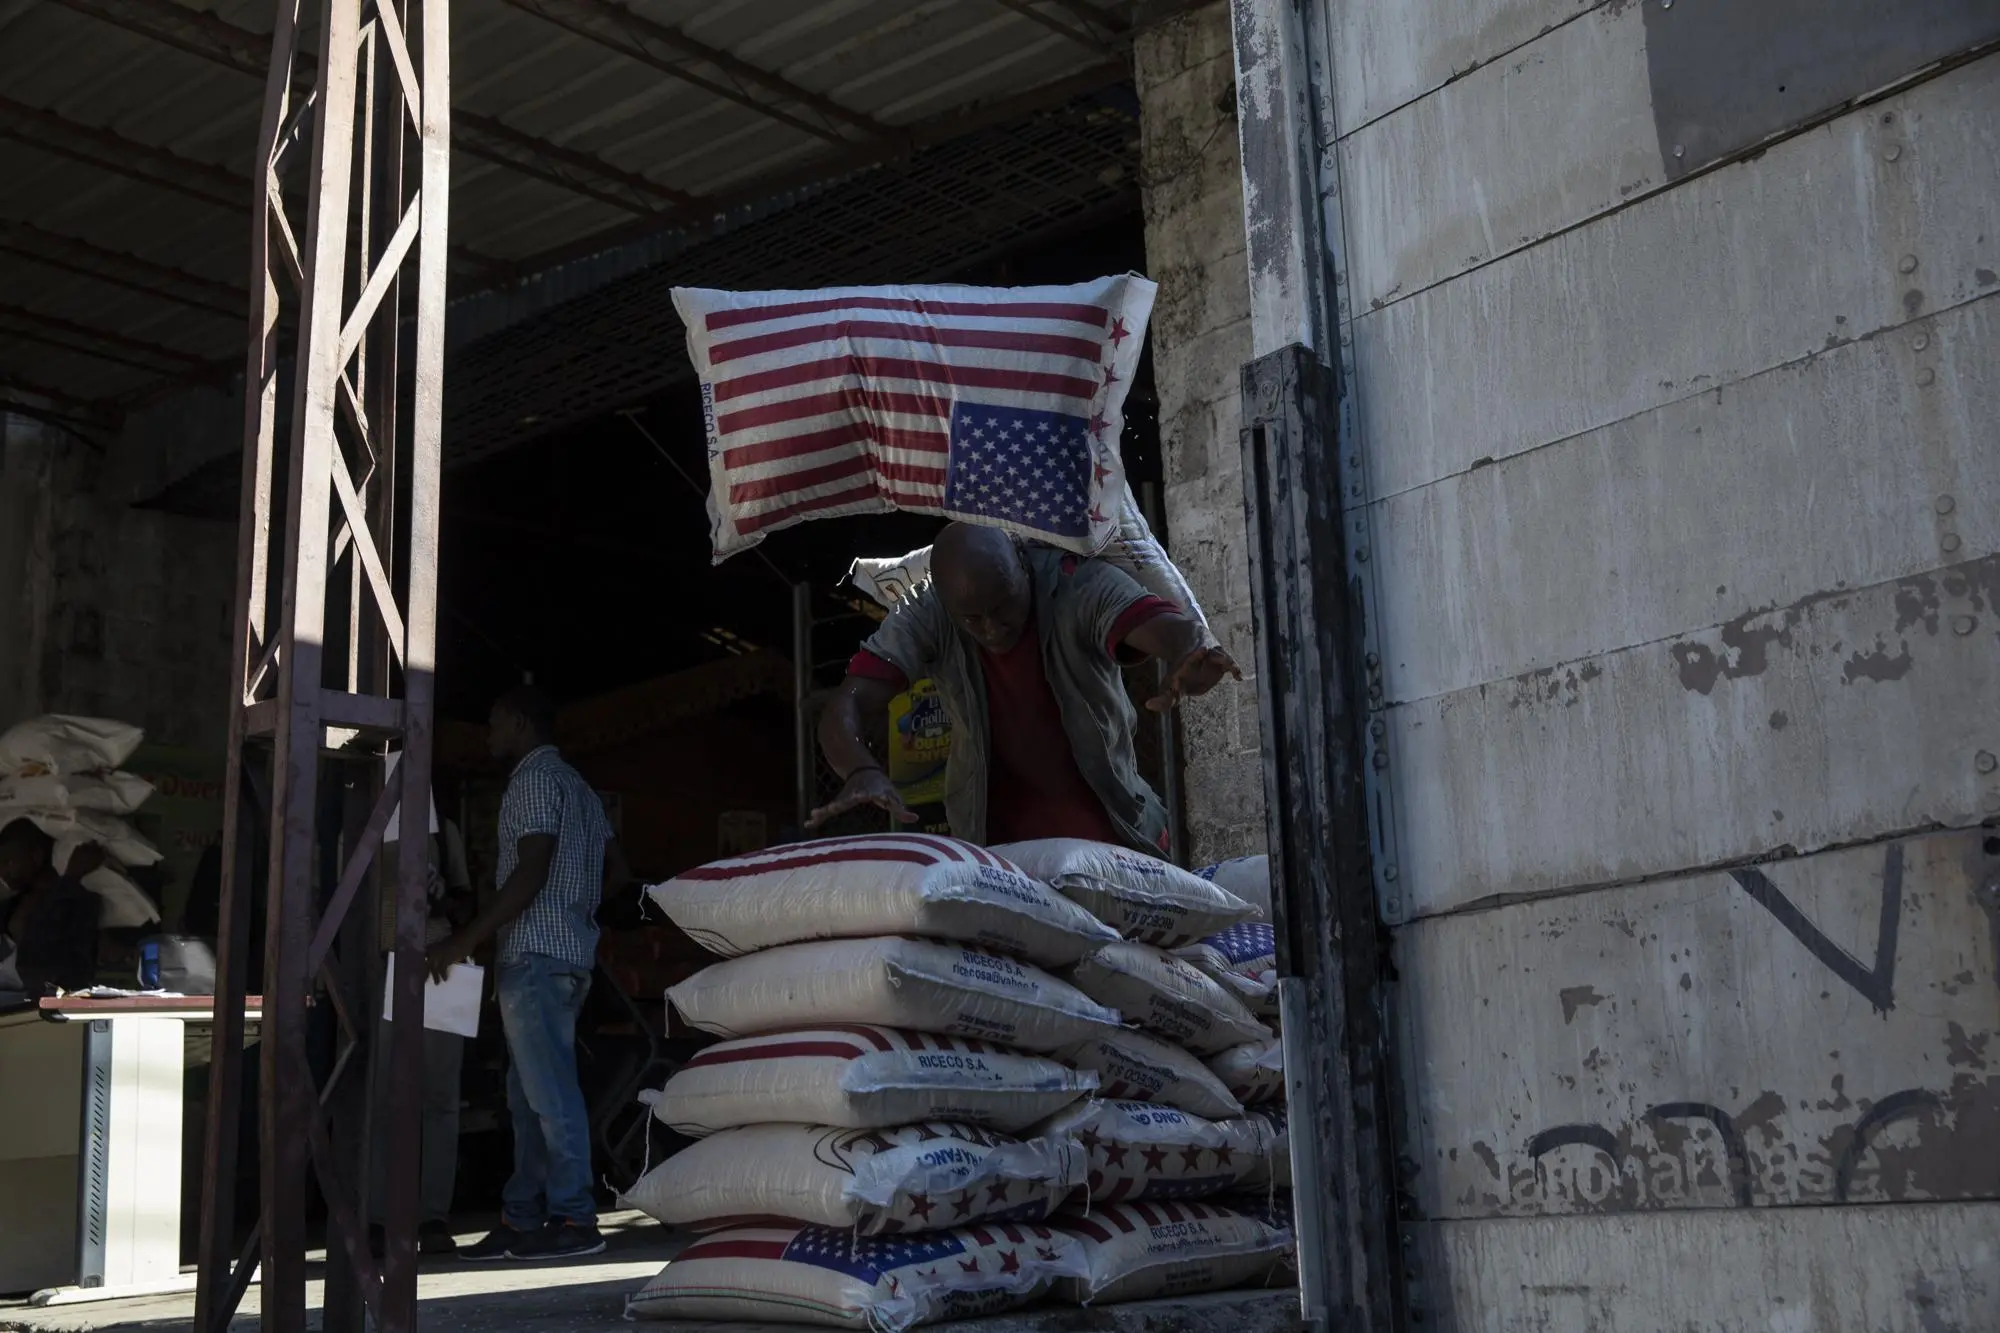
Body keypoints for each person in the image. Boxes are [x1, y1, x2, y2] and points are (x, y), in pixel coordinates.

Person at [813, 522, 1239, 850]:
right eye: (972, 620)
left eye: (1004, 606)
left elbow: (1160, 625)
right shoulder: (926, 610)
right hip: (997, 848)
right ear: (945, 603)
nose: (993, 629)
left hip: (1118, 831)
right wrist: (860, 769)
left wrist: (1191, 648)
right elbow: (849, 701)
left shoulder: (1077, 584)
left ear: (1022, 562)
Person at [426, 686, 621, 1262]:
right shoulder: (579, 787)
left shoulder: (533, 780)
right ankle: (523, 1216)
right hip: (566, 956)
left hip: (536, 957)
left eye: (493, 722)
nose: (489, 734)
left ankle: (575, 1217)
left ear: (517, 721)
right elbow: (619, 869)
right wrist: (578, 912)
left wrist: (466, 938)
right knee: (527, 1096)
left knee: (550, 1095)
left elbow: (532, 866)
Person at [368, 807, 473, 1257]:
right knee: (380, 1096)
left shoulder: (442, 829)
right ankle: (375, 1216)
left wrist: (439, 897)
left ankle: (432, 1217)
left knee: (440, 1101)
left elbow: (467, 905)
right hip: (381, 962)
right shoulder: (363, 823)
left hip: (438, 965)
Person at [0, 820, 106, 994]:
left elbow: (64, 951)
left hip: (38, 999)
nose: (3, 873)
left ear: (36, 856)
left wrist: (71, 878)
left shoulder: (75, 900)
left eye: (8, 862)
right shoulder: (13, 905)